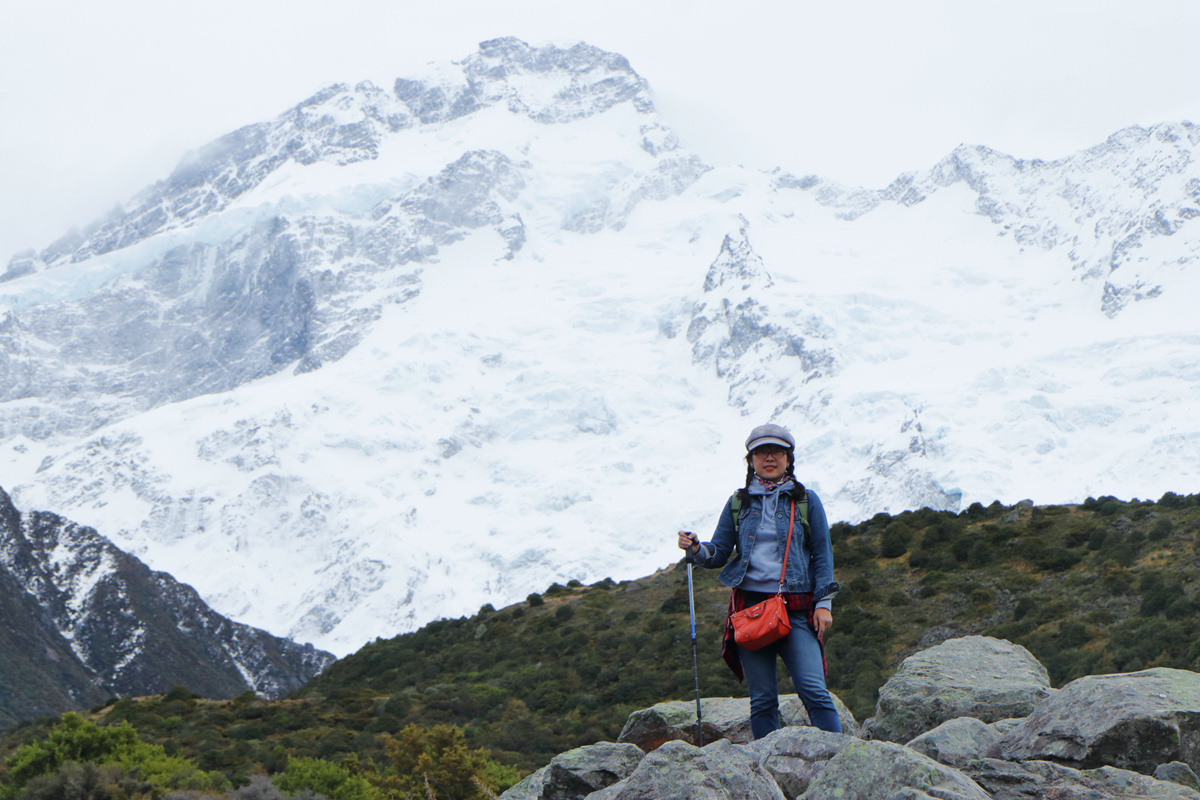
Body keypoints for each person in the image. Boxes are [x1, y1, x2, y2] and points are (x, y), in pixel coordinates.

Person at [677, 423, 841, 738]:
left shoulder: (806, 501)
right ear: (750, 460)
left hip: (796, 608)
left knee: (813, 690)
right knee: (763, 700)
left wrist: (824, 604)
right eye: (761, 452)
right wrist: (697, 549)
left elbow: (822, 555)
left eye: (777, 451)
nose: (769, 457)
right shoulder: (738, 503)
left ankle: (840, 760)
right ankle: (767, 766)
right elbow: (719, 552)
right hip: (751, 609)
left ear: (788, 458)